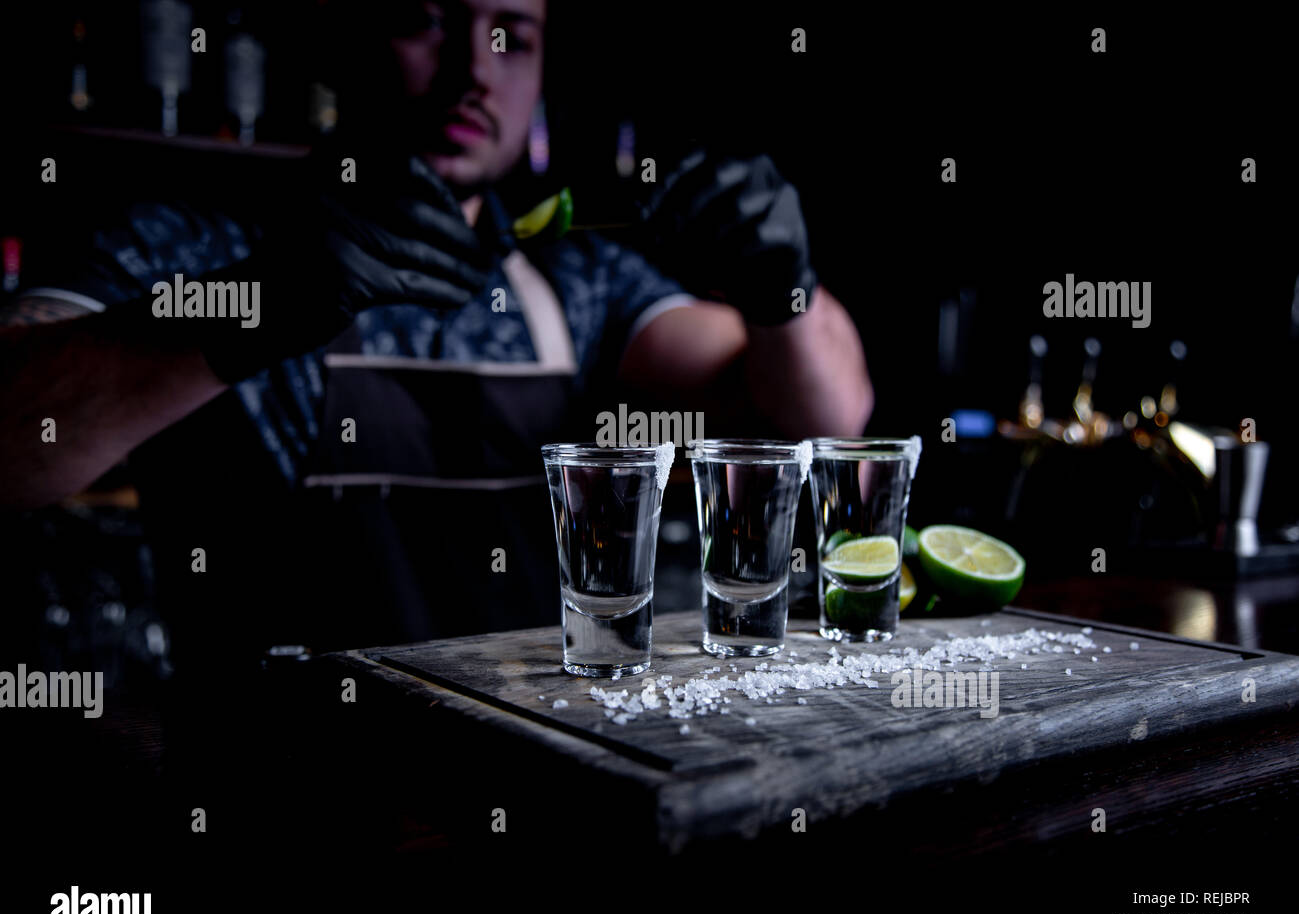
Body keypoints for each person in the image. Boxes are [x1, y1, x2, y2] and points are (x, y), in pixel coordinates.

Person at [0, 0, 871, 670]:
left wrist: (783, 291)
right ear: (348, 40)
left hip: (524, 773)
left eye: (511, 36)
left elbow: (820, 413)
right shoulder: (191, 244)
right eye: (428, 22)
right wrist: (268, 298)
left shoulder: (576, 277)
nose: (473, 69)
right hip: (270, 800)